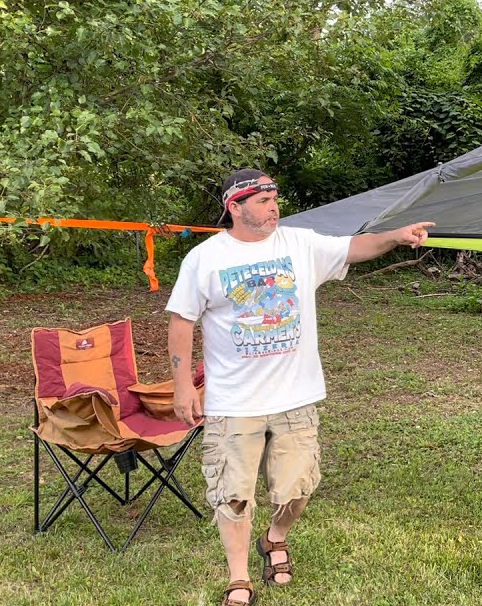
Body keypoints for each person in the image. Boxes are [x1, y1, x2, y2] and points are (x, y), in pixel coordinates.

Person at [167, 168, 432, 606]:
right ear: (234, 207)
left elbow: (355, 246)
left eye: (275, 199)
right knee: (233, 494)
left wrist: (397, 236)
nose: (273, 208)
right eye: (262, 201)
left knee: (298, 489)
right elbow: (181, 322)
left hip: (296, 396)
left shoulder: (299, 243)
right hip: (234, 400)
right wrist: (182, 386)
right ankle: (239, 578)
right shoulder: (205, 257)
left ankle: (275, 538)